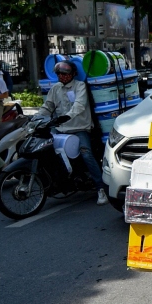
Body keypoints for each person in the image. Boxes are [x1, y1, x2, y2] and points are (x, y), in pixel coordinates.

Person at [38, 60, 107, 205]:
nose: (62, 76)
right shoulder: (55, 88)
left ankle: (101, 189)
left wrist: (67, 116)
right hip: (60, 128)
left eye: (65, 73)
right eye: (59, 73)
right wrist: (37, 118)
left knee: (86, 152)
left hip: (80, 128)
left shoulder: (80, 86)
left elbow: (79, 105)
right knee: (42, 147)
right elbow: (47, 106)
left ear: (73, 74)